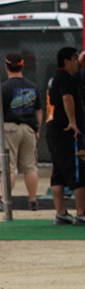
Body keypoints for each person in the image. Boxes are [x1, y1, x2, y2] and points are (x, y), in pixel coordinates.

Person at [0, 53, 42, 212]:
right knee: (30, 167)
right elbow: (39, 110)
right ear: (22, 66)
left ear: (6, 67)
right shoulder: (32, 86)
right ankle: (33, 200)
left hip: (9, 129)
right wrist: (36, 128)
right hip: (28, 129)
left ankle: (5, 201)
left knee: (7, 167)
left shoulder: (3, 87)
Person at [45, 47, 85, 225]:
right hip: (67, 131)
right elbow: (67, 98)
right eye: (75, 59)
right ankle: (81, 213)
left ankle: (61, 213)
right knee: (78, 171)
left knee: (58, 172)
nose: (78, 62)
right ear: (67, 61)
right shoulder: (66, 78)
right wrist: (73, 122)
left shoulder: (54, 78)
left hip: (52, 130)